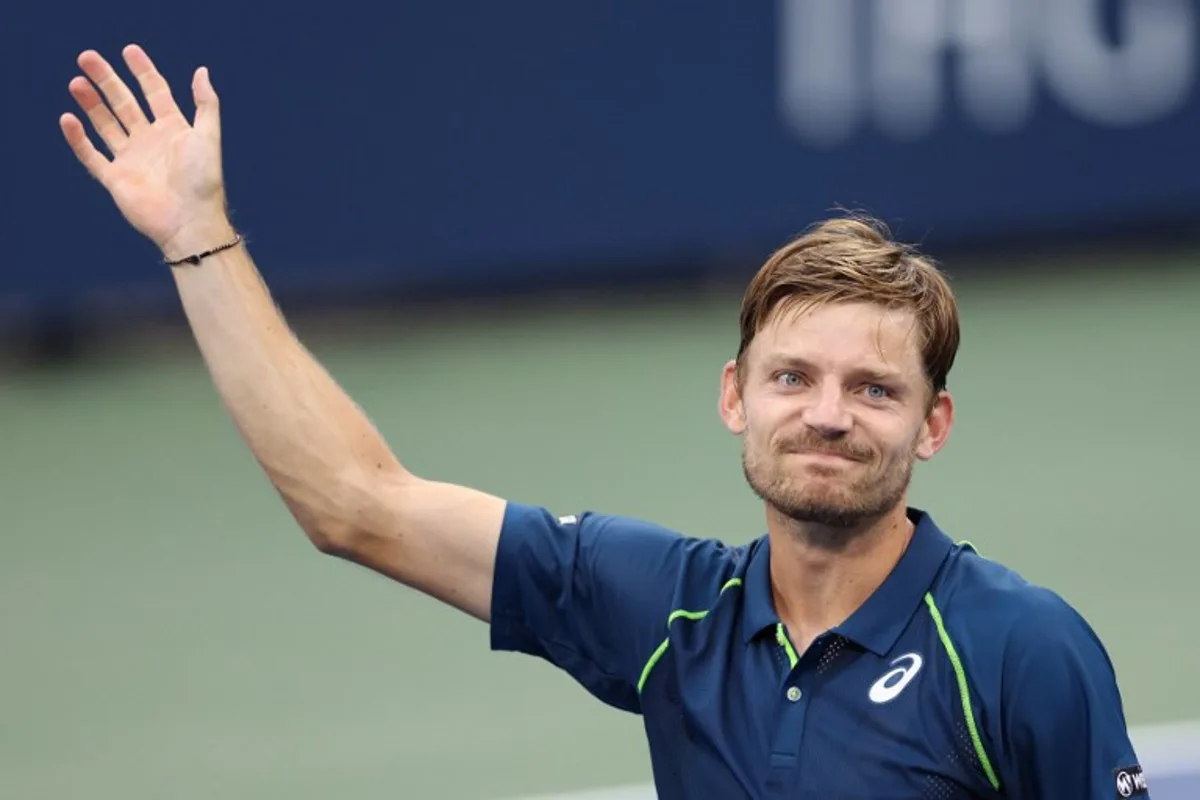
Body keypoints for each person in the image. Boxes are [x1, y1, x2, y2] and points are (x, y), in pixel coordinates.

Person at [60, 44, 1150, 800]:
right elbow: (354, 502)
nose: (828, 415)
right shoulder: (668, 608)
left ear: (933, 424)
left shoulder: (1020, 649)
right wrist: (198, 237)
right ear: (735, 396)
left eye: (873, 389)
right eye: (792, 378)